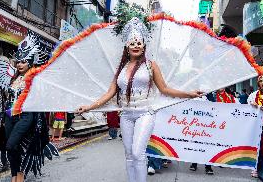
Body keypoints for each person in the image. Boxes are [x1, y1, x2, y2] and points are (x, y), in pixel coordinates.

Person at [76, 17, 203, 182]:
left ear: (144, 46)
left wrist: (189, 93)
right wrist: (89, 107)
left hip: (145, 113)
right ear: (127, 47)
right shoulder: (120, 68)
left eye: (139, 43)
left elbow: (165, 89)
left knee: (138, 152)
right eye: (132, 43)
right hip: (126, 114)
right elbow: (110, 93)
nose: (136, 45)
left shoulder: (151, 65)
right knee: (129, 155)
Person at [0, 31, 58, 182]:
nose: (19, 64)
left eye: (23, 61)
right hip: (10, 116)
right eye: (18, 62)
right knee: (12, 147)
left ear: (30, 62)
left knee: (11, 145)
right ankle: (14, 176)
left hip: (26, 116)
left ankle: (21, 174)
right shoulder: (14, 78)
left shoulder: (36, 79)